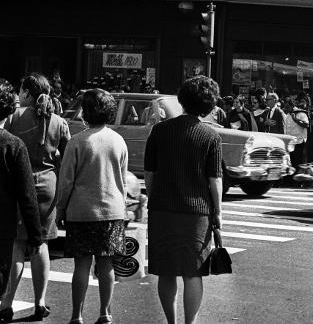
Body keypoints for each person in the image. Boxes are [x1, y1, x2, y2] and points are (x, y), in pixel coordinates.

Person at [144, 76, 224, 324]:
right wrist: (217, 212)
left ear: (182, 100)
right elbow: (215, 180)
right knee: (193, 273)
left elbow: (149, 174)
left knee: (166, 271)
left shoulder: (159, 130)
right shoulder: (211, 137)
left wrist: (157, 195)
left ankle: (171, 322)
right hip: (197, 213)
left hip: (162, 210)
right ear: (209, 105)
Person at [1, 73, 71, 322]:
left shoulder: (14, 118)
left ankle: (6, 303)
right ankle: (40, 302)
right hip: (48, 187)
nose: (19, 94)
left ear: (28, 93)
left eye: (22, 90)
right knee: (41, 243)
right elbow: (66, 157)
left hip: (20, 186)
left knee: (17, 245)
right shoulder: (59, 122)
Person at [56, 89, 128, 324]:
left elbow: (66, 181)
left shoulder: (77, 141)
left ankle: (77, 315)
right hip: (112, 210)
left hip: (82, 211)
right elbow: (123, 180)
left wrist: (60, 209)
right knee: (106, 263)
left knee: (81, 265)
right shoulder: (118, 141)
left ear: (86, 113)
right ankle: (105, 313)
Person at [0, 83, 42, 324]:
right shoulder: (13, 145)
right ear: (9, 111)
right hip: (3, 227)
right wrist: (35, 237)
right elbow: (27, 196)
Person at [282, 98, 308, 169]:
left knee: (299, 164)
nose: (285, 109)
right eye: (285, 107)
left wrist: (296, 119)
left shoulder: (301, 113)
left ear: (292, 105)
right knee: (292, 164)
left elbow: (306, 125)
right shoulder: (288, 115)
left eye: (287, 107)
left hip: (299, 143)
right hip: (290, 143)